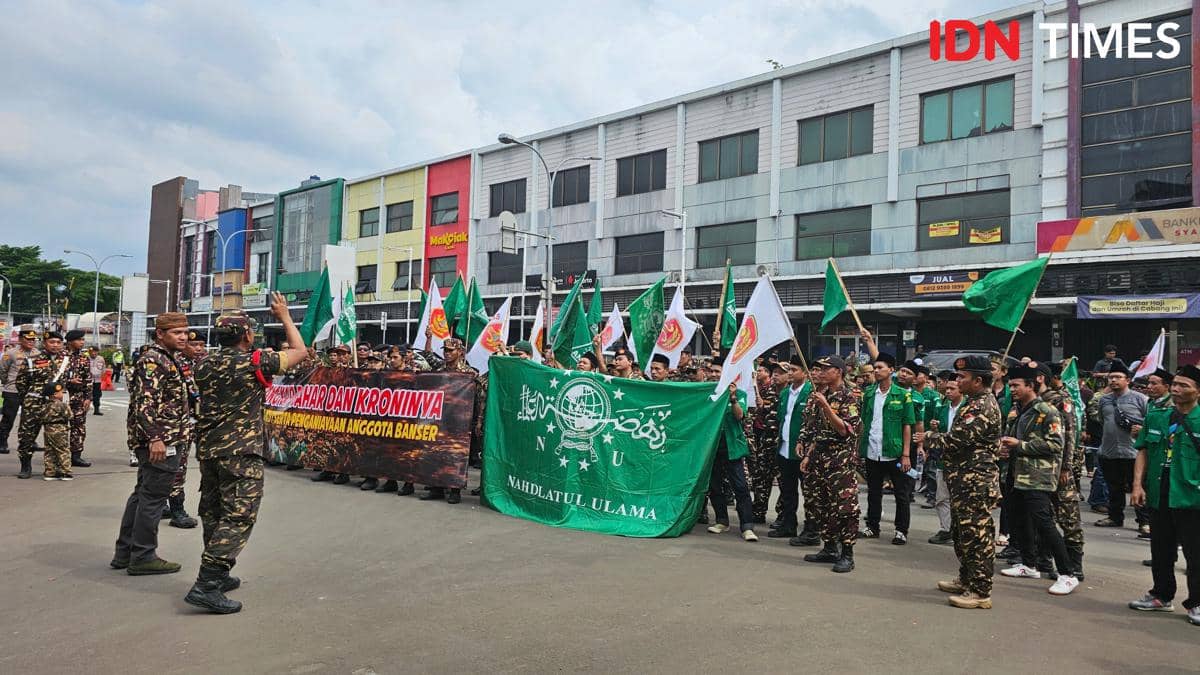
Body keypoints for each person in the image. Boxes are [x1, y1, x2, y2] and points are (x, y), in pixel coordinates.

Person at [185, 294, 306, 614]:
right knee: (239, 514)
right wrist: (284, 316)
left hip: (210, 449)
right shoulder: (255, 361)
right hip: (241, 450)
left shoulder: (204, 363)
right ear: (247, 335)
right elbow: (300, 352)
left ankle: (218, 574)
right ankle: (207, 584)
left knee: (213, 511)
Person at [112, 313, 193, 576]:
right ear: (160, 333)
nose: (183, 337)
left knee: (142, 495)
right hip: (162, 441)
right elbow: (144, 405)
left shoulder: (166, 358)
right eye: (176, 332)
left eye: (185, 332)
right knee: (153, 498)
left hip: (163, 438)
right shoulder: (154, 360)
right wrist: (155, 439)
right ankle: (143, 556)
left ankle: (125, 553)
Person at [919, 356, 1002, 609]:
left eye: (961, 377)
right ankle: (966, 579)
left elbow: (955, 441)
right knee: (962, 533)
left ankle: (980, 591)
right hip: (963, 480)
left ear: (978, 380)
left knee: (976, 536)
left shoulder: (982, 406)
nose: (956, 381)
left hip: (975, 481)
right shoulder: (972, 403)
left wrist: (929, 436)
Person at [997, 365, 1079, 596]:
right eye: (1010, 385)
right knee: (1019, 521)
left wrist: (1019, 446)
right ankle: (1029, 564)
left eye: (1016, 385)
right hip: (1016, 474)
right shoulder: (1017, 410)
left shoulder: (1048, 411)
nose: (1012, 389)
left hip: (1037, 477)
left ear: (1031, 385)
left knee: (1044, 524)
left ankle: (1067, 573)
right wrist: (1005, 450)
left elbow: (1055, 445)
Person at [1128, 364, 1200, 624]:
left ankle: (1197, 603)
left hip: (1191, 498)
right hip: (1160, 493)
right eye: (1176, 384)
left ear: (1198, 392)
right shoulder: (1157, 416)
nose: (1177, 389)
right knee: (1161, 549)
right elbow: (1143, 449)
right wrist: (1138, 485)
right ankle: (1161, 595)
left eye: (1185, 386)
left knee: (1195, 553)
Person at [798, 355, 861, 573]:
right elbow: (817, 432)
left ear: (839, 372)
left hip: (840, 461)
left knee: (844, 507)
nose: (822, 372)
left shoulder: (849, 397)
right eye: (821, 368)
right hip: (819, 458)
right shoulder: (820, 394)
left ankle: (847, 553)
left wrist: (826, 406)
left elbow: (845, 430)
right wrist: (808, 455)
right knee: (821, 505)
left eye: (827, 368)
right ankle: (829, 547)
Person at [857, 350, 917, 545]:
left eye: (880, 368)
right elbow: (864, 421)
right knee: (874, 491)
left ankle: (901, 530)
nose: (876, 371)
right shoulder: (868, 394)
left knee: (901, 493)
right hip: (873, 450)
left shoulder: (903, 395)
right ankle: (872, 526)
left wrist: (906, 454)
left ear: (891, 370)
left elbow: (907, 425)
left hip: (895, 452)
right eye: (875, 368)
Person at [704, 361, 757, 542]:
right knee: (715, 486)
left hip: (732, 448)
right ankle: (721, 521)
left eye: (716, 371)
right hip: (712, 448)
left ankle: (747, 526)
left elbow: (739, 415)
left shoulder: (739, 394)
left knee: (740, 486)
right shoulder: (707, 395)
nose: (712, 374)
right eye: (711, 371)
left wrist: (733, 398)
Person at [421, 337, 474, 504]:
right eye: (445, 350)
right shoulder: (440, 367)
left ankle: (454, 490)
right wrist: (429, 338)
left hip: (458, 420)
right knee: (436, 452)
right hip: (439, 418)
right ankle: (436, 488)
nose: (447, 353)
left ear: (460, 352)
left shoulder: (468, 373)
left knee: (455, 454)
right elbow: (428, 355)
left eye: (451, 350)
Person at [1095, 364, 1149, 530]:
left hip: (1132, 453)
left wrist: (1141, 430)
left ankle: (1144, 521)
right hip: (1109, 452)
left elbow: (1150, 422)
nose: (1113, 380)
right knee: (1113, 487)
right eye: (1111, 377)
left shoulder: (1140, 399)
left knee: (1137, 486)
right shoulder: (1104, 400)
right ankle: (1115, 517)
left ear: (1128, 380)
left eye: (1118, 377)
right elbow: (1102, 420)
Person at [768, 358, 814, 543]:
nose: (791, 373)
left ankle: (811, 530)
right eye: (790, 370)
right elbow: (782, 418)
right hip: (785, 448)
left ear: (805, 372)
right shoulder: (786, 392)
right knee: (787, 490)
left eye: (795, 370)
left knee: (809, 492)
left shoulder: (812, 392)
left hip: (803, 451)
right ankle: (788, 525)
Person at [15, 331, 68, 479]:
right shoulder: (32, 360)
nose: (55, 345)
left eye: (58, 342)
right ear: (45, 343)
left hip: (55, 405)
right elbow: (21, 382)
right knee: (26, 436)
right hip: (34, 403)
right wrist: (29, 398)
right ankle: (25, 466)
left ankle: (55, 467)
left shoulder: (66, 361)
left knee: (56, 437)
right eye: (52, 342)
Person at [927, 372, 962, 545]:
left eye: (952, 388)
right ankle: (946, 528)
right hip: (944, 458)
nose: (948, 391)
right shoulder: (942, 407)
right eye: (947, 388)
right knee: (942, 497)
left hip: (962, 461)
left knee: (961, 499)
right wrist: (934, 426)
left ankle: (961, 531)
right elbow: (937, 432)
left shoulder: (967, 408)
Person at [750, 362, 784, 525]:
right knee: (761, 477)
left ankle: (782, 515)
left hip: (782, 442)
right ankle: (758, 510)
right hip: (766, 440)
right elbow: (762, 412)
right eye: (775, 372)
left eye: (781, 372)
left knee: (784, 481)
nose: (776, 375)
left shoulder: (789, 393)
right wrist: (761, 405)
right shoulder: (769, 391)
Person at [0, 327, 40, 453]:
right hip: (13, 390)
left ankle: (29, 441)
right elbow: (3, 371)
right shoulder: (10, 353)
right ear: (20, 339)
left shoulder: (37, 353)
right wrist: (8, 383)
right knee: (8, 417)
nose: (31, 342)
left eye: (33, 339)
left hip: (31, 390)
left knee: (30, 418)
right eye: (28, 339)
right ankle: (2, 442)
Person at [62, 330, 94, 468]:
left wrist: (88, 397)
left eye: (83, 339)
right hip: (62, 397)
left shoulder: (83, 358)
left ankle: (76, 456)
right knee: (60, 427)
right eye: (79, 339)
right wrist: (69, 381)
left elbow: (88, 379)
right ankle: (60, 455)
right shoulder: (60, 357)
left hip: (78, 398)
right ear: (70, 342)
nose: (82, 342)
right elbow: (51, 377)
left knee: (79, 427)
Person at [40, 382, 72, 480]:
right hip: (60, 430)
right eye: (61, 392)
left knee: (49, 451)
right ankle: (65, 472)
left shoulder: (44, 405)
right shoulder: (62, 405)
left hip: (48, 429)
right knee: (63, 450)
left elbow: (41, 417)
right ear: (55, 394)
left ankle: (50, 472)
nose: (62, 393)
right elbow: (69, 415)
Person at [89, 348, 106, 415]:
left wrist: (102, 375)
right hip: (88, 380)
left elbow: (103, 368)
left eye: (95, 352)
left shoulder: (101, 359)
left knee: (97, 395)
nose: (93, 353)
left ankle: (96, 410)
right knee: (86, 395)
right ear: (89, 352)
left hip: (97, 380)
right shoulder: (85, 358)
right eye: (92, 352)